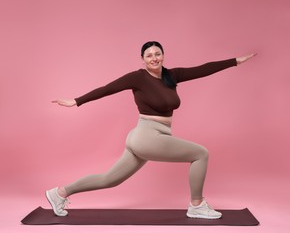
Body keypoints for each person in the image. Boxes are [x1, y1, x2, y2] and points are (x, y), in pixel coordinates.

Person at [47, 41, 256, 219]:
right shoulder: (137, 77)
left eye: (158, 54)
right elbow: (107, 89)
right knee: (201, 153)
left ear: (163, 56)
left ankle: (60, 193)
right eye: (149, 55)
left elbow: (203, 69)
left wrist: (235, 61)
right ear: (142, 59)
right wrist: (76, 101)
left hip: (147, 137)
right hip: (146, 136)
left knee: (110, 179)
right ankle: (197, 205)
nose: (154, 58)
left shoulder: (171, 76)